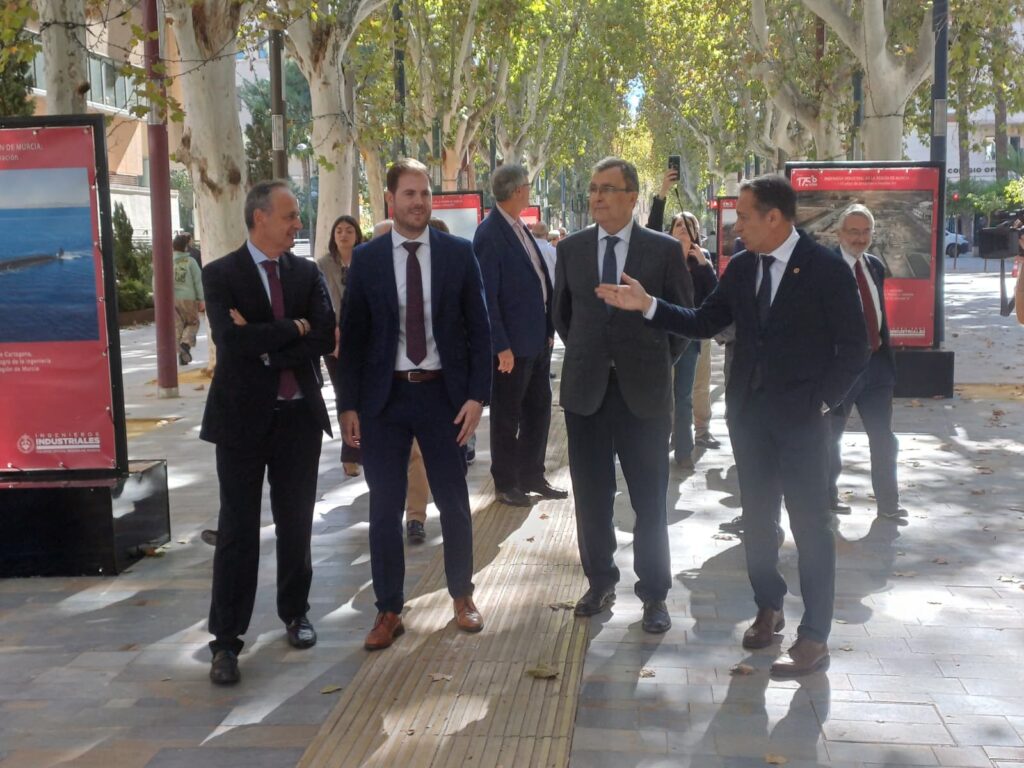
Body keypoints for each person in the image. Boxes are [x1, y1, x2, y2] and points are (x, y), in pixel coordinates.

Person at [595, 174, 869, 675]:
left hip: (806, 423)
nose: (736, 226)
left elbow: (855, 348)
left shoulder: (826, 269)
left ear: (774, 218)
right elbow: (705, 321)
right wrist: (648, 305)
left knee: (812, 526)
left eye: (743, 216)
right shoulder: (741, 267)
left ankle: (815, 636)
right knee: (759, 523)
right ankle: (769, 605)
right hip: (749, 419)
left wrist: (824, 404)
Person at [338, 158, 492, 651]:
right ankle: (388, 609)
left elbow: (480, 329)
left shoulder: (457, 254)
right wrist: (348, 406)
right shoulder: (367, 260)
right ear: (390, 200)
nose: (419, 202)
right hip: (384, 400)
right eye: (409, 194)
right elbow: (354, 338)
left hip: (443, 396)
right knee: (384, 508)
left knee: (453, 502)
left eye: (424, 194)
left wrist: (476, 396)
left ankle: (462, 597)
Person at [200, 180, 335, 685]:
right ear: (259, 218)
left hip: (298, 418)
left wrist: (272, 343)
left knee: (296, 523)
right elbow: (229, 341)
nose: (298, 224)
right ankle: (226, 642)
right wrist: (292, 328)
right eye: (290, 215)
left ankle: (295, 614)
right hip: (240, 423)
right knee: (237, 530)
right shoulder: (221, 274)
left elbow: (324, 333)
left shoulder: (306, 272)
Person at [553, 156, 694, 634]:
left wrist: (650, 363)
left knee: (650, 501)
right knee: (591, 497)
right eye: (593, 188)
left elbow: (680, 321)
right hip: (586, 394)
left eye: (608, 189)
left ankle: (654, 594)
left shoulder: (662, 251)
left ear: (633, 197)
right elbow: (564, 317)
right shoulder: (571, 249)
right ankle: (600, 581)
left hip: (645, 397)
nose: (596, 197)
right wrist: (596, 357)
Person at [475, 164, 565, 507]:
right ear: (516, 191)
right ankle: (506, 482)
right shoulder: (490, 233)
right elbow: (488, 297)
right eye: (527, 186)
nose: (530, 190)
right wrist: (501, 346)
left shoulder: (518, 227)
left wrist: (548, 330)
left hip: (537, 341)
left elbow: (537, 279)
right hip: (512, 347)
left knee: (538, 411)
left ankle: (532, 474)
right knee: (507, 416)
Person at [828, 204, 903, 519]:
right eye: (853, 232)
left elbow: (879, 312)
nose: (860, 238)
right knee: (830, 437)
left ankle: (888, 504)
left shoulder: (874, 265)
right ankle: (826, 497)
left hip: (876, 367)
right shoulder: (825, 268)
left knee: (884, 438)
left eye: (865, 232)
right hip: (840, 370)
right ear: (839, 233)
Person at [371, 217, 432, 544]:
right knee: (393, 465)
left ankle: (416, 517)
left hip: (423, 383)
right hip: (382, 390)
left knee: (418, 455)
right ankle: (389, 518)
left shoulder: (425, 272)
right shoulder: (367, 274)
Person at [663, 212, 719, 468]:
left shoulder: (703, 258)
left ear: (696, 232)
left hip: (690, 337)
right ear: (671, 230)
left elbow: (716, 296)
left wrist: (705, 268)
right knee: (663, 394)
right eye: (678, 225)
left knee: (684, 394)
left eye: (687, 226)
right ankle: (661, 444)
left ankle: (684, 451)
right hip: (663, 335)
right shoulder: (662, 254)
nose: (682, 229)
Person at [316, 215, 364, 477]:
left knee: (363, 397)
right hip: (334, 339)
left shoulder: (367, 259)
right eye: (338, 231)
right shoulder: (322, 265)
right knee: (344, 395)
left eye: (348, 230)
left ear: (357, 234)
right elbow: (322, 302)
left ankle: (362, 447)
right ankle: (350, 453)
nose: (343, 235)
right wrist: (332, 334)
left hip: (363, 338)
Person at [171, 232, 205, 365]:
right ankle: (185, 345)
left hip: (171, 299)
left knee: (177, 325)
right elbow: (198, 281)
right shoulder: (191, 262)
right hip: (188, 298)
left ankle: (180, 352)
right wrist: (201, 299)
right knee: (192, 323)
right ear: (186, 247)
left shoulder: (166, 262)